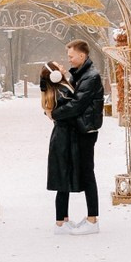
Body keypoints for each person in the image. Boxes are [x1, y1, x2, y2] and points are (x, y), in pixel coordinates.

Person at [44, 38, 103, 234]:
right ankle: (70, 220)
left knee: (88, 174)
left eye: (71, 56)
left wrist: (54, 114)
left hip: (86, 131)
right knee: (79, 173)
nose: (68, 59)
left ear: (82, 55)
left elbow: (76, 105)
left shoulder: (90, 77)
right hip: (79, 130)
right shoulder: (80, 75)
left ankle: (92, 220)